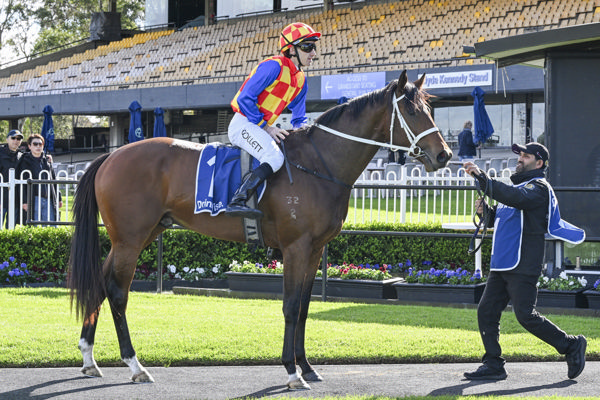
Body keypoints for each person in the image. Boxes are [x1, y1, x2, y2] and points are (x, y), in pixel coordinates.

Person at [463, 142, 587, 381]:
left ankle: (571, 345)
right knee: (486, 311)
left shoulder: (538, 188)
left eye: (526, 156)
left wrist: (483, 179)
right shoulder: (518, 188)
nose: (520, 158)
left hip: (523, 264)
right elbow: (503, 217)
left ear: (539, 163)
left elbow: (516, 198)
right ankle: (493, 364)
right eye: (520, 154)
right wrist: (486, 212)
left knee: (525, 315)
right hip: (502, 263)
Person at [226, 22, 321, 218]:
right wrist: (266, 127)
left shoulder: (301, 80)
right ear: (291, 50)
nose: (313, 52)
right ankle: (238, 201)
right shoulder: (273, 66)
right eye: (308, 46)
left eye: (314, 46)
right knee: (275, 158)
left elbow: (299, 119)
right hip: (243, 124)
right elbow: (244, 98)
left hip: (259, 128)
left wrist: (309, 137)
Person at [16, 134, 62, 224]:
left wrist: (59, 198)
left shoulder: (47, 161)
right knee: (35, 226)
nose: (38, 146)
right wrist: (24, 201)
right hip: (34, 199)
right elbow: (21, 184)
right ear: (29, 146)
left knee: (52, 226)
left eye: (40, 144)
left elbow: (53, 180)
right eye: (35, 144)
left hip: (48, 199)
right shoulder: (24, 161)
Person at [0, 129, 24, 227]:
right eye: (13, 138)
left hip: (15, 199)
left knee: (11, 229)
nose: (16, 141)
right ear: (7, 139)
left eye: (18, 139)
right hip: (1, 197)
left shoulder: (22, 155)